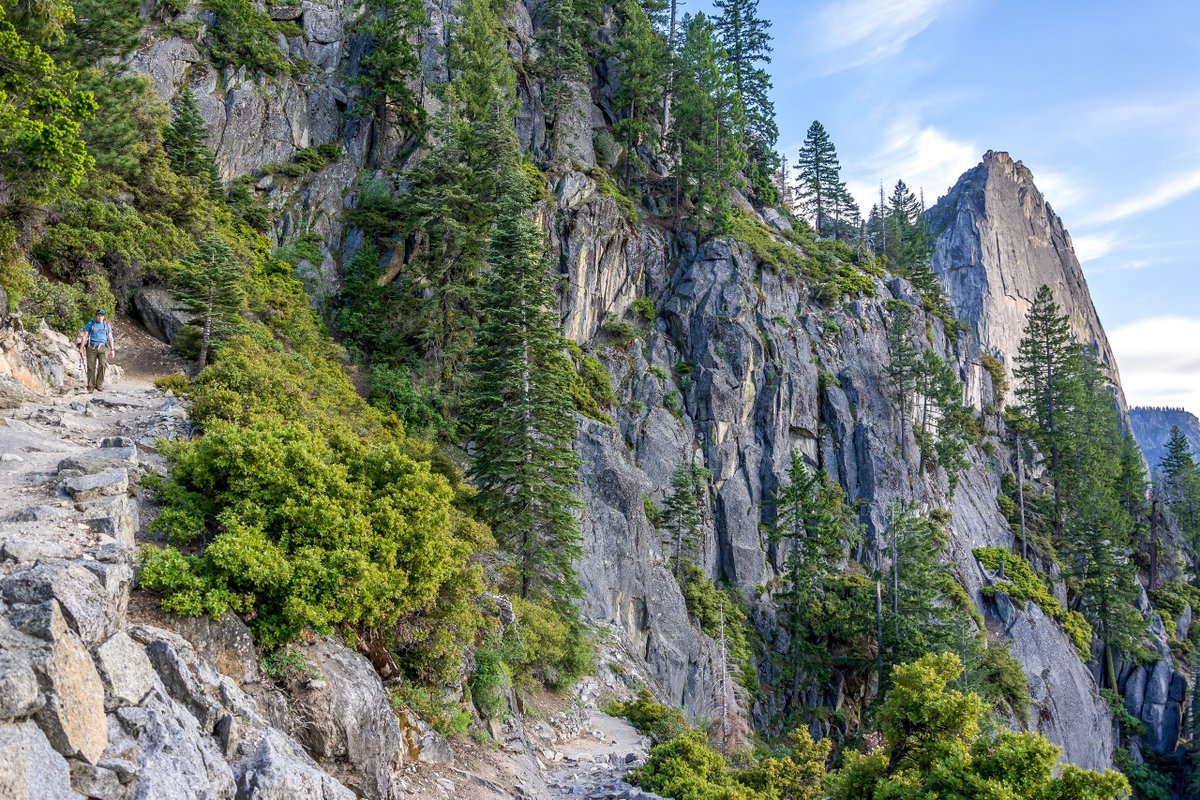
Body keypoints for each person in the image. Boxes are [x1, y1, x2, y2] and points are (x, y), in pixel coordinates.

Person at [78, 309, 115, 392]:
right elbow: (85, 336)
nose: (100, 317)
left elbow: (110, 337)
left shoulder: (106, 325)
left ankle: (99, 384)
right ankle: (91, 386)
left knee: (103, 365)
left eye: (101, 316)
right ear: (96, 316)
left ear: (103, 317)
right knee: (91, 367)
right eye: (98, 315)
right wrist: (81, 348)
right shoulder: (90, 324)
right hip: (91, 347)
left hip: (103, 348)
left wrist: (112, 349)